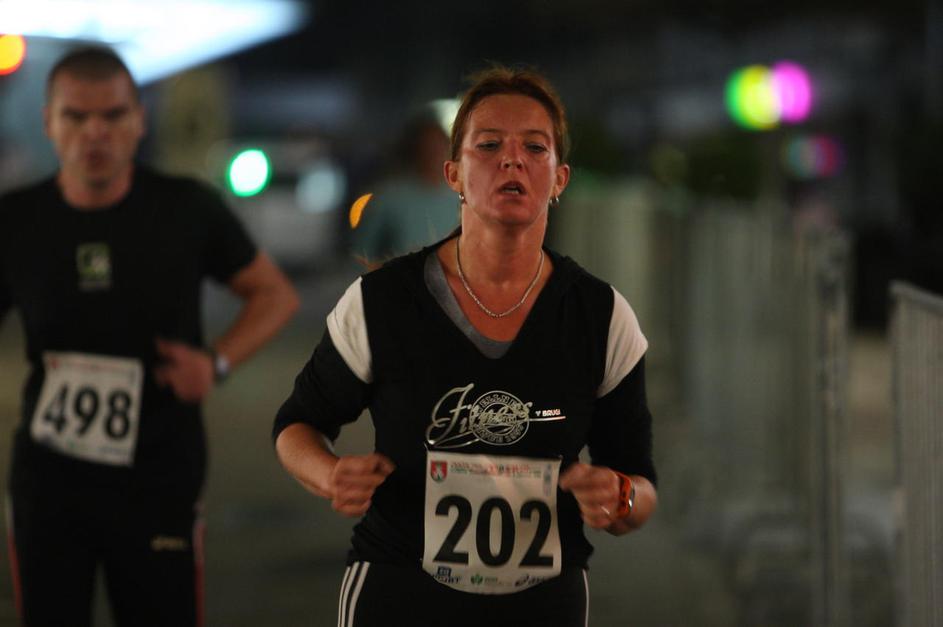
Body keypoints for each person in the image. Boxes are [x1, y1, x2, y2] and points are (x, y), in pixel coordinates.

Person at [274, 65, 656, 627]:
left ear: (559, 179)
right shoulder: (382, 301)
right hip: (399, 592)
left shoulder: (601, 315)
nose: (512, 160)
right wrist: (330, 474)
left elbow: (639, 483)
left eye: (534, 147)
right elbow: (297, 425)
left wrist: (619, 497)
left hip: (543, 604)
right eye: (489, 144)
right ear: (453, 173)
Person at [0, 47, 299, 626]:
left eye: (112, 115)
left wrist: (214, 364)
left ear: (139, 120)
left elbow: (275, 295)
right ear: (48, 122)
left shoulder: (186, 209)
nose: (95, 132)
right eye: (75, 116)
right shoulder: (16, 220)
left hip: (158, 474)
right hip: (48, 479)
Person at [350, 108, 459, 264]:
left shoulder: (462, 196)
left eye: (439, 146)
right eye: (428, 146)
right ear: (415, 149)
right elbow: (361, 250)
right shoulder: (388, 196)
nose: (434, 153)